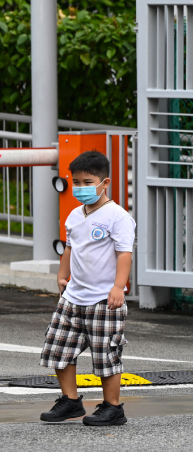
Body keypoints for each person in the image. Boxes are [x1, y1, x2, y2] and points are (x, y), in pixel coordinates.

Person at [39, 151, 136, 426]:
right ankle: (70, 401)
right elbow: (70, 248)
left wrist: (119, 286)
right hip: (73, 297)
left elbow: (124, 254)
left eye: (87, 181)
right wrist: (62, 274)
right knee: (58, 349)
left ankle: (113, 408)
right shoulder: (74, 215)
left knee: (106, 355)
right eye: (76, 182)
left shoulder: (117, 216)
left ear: (104, 183)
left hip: (104, 300)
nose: (80, 188)